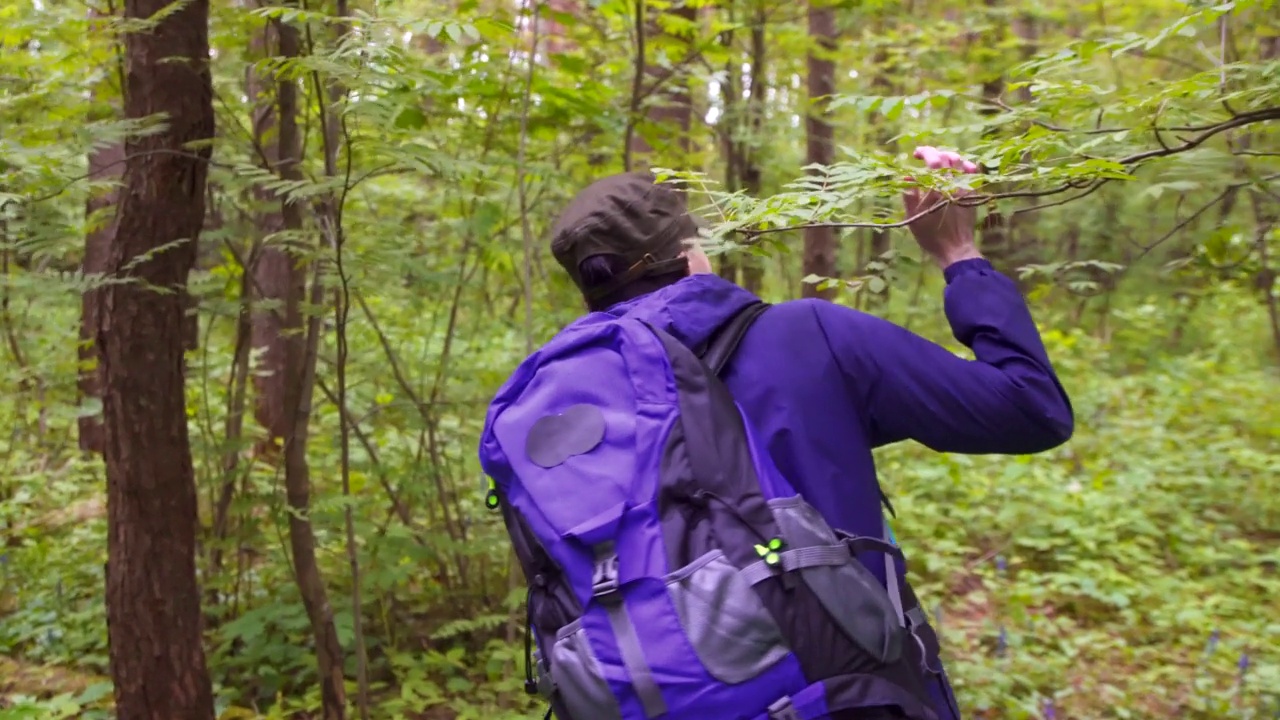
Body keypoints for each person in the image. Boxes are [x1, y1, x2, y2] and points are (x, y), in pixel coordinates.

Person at [541, 146, 1074, 720]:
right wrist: (959, 253)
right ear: (691, 253)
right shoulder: (806, 338)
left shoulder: (560, 410)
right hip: (850, 696)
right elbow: (1030, 408)